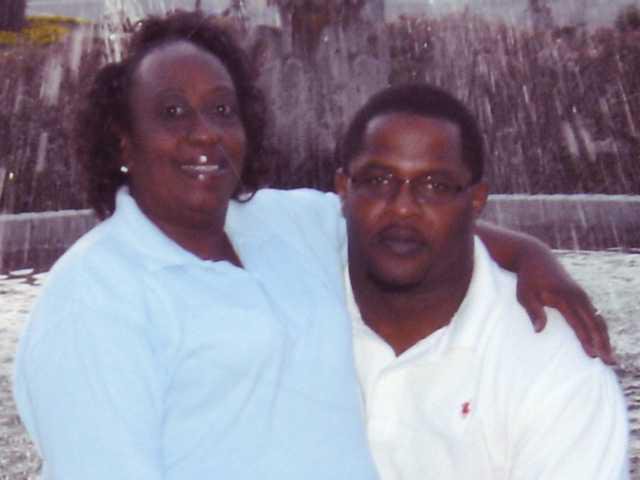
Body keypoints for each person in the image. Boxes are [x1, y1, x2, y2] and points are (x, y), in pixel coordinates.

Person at [13, 11, 611, 479]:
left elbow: (407, 224)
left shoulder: (278, 225)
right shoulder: (95, 299)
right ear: (123, 142)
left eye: (222, 109)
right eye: (172, 113)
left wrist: (532, 258)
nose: (204, 133)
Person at [335, 83, 629, 479]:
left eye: (435, 186)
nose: (402, 207)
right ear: (343, 190)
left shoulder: (553, 363)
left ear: (476, 201)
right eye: (378, 180)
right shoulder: (291, 301)